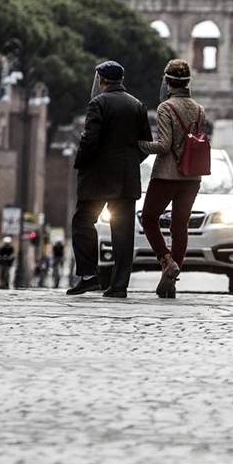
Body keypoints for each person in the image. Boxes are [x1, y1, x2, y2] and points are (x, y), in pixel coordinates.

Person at [68, 60, 153, 299]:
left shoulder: (98, 103)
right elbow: (145, 143)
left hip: (97, 178)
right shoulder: (138, 105)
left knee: (83, 222)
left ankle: (88, 276)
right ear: (122, 80)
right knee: (123, 231)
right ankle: (119, 285)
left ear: (101, 81)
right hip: (126, 179)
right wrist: (129, 162)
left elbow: (90, 139)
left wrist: (81, 161)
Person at [138, 59, 206, 299]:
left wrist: (141, 145)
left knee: (148, 217)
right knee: (180, 226)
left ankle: (166, 261)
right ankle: (172, 279)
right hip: (192, 176)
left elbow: (164, 145)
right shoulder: (200, 109)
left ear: (167, 81)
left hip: (167, 174)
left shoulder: (165, 108)